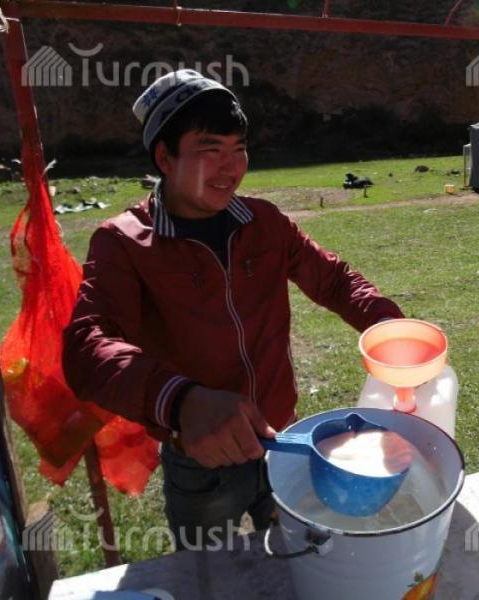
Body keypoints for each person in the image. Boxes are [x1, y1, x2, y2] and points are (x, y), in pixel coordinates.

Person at [62, 70, 404, 549]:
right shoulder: (124, 243)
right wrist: (181, 400)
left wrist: (391, 327)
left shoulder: (265, 223)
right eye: (210, 149)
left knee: (293, 557)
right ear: (164, 157)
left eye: (239, 149)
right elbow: (87, 345)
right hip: (201, 461)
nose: (230, 168)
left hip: (283, 439)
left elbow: (333, 279)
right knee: (209, 572)